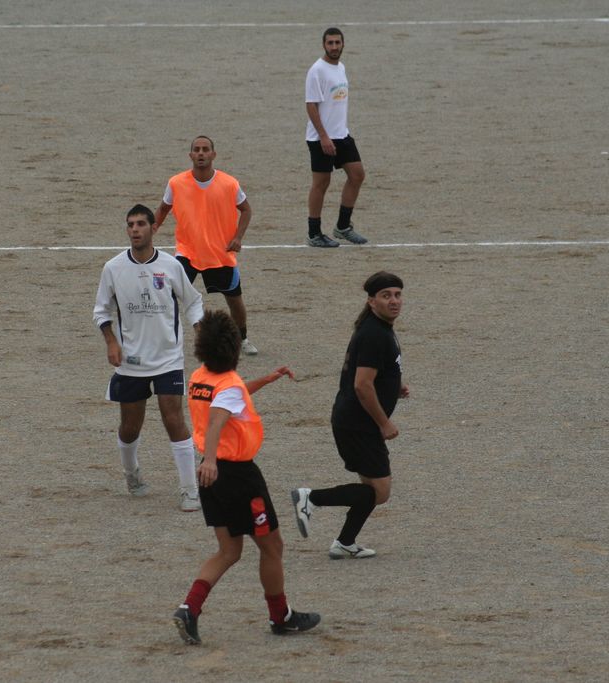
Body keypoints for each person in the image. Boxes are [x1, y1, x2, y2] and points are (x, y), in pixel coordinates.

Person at [173, 310, 320, 644]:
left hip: (209, 478)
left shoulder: (200, 377)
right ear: (234, 348)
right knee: (272, 546)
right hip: (237, 477)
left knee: (228, 551)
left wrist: (265, 380)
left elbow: (231, 396)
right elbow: (217, 419)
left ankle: (189, 608)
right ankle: (281, 616)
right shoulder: (227, 388)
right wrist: (212, 459)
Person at [94, 204, 206, 511]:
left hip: (168, 359)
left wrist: (199, 330)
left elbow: (193, 302)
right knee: (130, 427)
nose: (135, 229)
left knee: (174, 420)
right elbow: (101, 310)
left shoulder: (171, 266)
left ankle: (189, 490)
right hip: (131, 362)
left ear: (153, 228)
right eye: (130, 224)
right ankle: (132, 473)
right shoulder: (113, 268)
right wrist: (111, 342)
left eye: (141, 224)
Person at [291, 272, 409, 559]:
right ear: (372, 301)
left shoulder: (379, 328)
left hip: (355, 422)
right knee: (379, 492)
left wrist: (393, 386)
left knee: (371, 489)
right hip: (359, 425)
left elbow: (372, 374)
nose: (394, 301)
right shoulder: (374, 334)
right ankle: (310, 498)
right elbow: (361, 385)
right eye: (386, 296)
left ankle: (344, 542)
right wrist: (384, 422)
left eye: (397, 295)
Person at [154, 135, 259, 356]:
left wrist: (238, 237)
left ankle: (242, 338)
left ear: (213, 154)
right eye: (197, 149)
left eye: (205, 149)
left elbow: (246, 209)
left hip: (220, 253)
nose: (201, 153)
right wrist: (152, 229)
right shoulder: (176, 183)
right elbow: (163, 208)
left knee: (234, 300)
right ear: (190, 155)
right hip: (187, 252)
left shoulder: (229, 184)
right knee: (168, 296)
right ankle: (163, 339)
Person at [305, 27, 369, 248]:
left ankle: (342, 227)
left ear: (343, 44)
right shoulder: (317, 70)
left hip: (342, 134)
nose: (334, 47)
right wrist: (324, 137)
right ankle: (314, 233)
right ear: (324, 45)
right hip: (320, 138)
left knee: (357, 175)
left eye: (337, 42)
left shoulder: (340, 67)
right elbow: (311, 105)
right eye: (330, 43)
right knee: (321, 183)